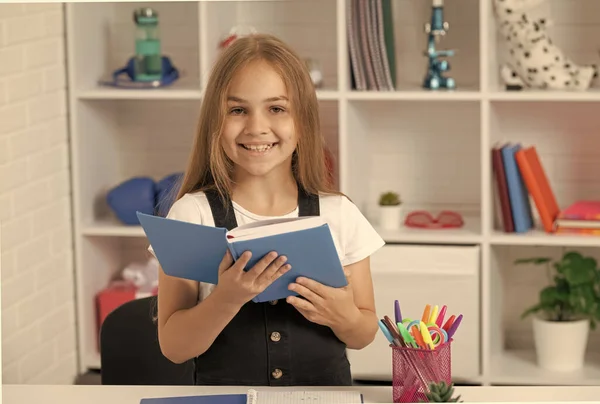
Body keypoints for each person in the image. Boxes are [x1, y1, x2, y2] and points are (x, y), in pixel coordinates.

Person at [151, 33, 385, 386]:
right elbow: (174, 347)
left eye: (276, 108)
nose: (257, 127)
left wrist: (343, 315)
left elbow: (364, 333)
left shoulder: (339, 214)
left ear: (302, 123)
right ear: (216, 122)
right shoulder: (192, 216)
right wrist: (226, 299)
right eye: (237, 110)